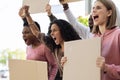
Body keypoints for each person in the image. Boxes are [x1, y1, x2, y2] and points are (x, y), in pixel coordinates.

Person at [60, 0, 120, 80]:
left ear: (109, 13)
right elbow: (85, 66)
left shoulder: (118, 34)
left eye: (98, 8)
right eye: (93, 8)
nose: (93, 11)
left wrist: (106, 68)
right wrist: (69, 64)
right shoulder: (92, 38)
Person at [19, 5, 81, 80]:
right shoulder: (54, 47)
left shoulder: (77, 46)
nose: (51, 33)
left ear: (63, 31)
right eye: (51, 31)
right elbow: (36, 32)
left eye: (54, 30)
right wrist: (27, 16)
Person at [19, 6, 57, 80]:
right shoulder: (28, 48)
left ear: (34, 33)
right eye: (22, 33)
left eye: (26, 32)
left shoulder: (44, 47)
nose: (23, 35)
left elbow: (54, 65)